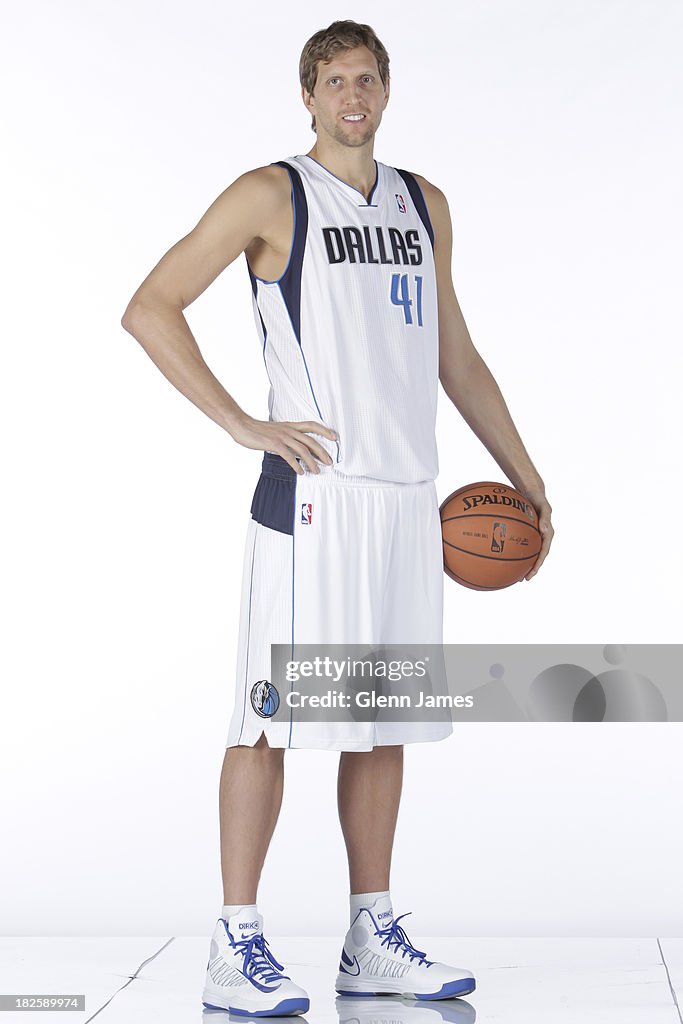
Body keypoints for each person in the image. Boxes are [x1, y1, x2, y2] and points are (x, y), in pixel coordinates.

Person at [121, 19, 554, 1017]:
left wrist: (522, 472)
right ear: (306, 97)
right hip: (309, 503)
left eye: (367, 78)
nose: (351, 96)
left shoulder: (422, 205)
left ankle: (371, 932)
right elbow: (151, 304)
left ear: (387, 90)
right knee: (264, 720)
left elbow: (456, 358)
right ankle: (236, 938)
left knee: (380, 720)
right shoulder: (270, 193)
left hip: (404, 507)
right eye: (333, 81)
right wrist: (242, 422)